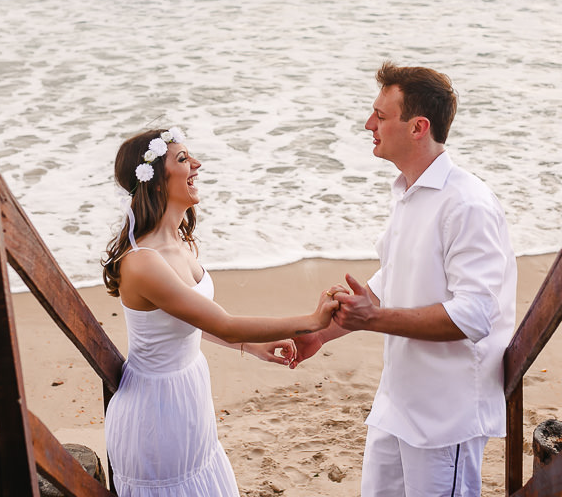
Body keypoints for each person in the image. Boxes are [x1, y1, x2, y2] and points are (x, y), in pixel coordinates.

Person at [290, 63, 517, 497]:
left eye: (381, 115)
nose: (368, 124)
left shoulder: (468, 204)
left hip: (444, 416)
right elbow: (391, 278)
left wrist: (372, 319)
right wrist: (324, 335)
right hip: (397, 401)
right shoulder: (408, 191)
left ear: (418, 127)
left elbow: (474, 315)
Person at [101, 126, 344, 497]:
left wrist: (250, 346)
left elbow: (189, 320)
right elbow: (225, 324)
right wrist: (311, 321)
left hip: (186, 394)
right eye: (183, 159)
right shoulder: (143, 263)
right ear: (154, 181)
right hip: (155, 412)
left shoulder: (178, 240)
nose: (196, 164)